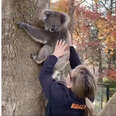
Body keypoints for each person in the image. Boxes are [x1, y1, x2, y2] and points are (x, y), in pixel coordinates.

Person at [39, 39, 96, 116]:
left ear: (69, 84)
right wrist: (70, 46)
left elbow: (44, 75)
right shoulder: (88, 96)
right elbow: (78, 71)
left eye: (69, 72)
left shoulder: (58, 95)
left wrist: (55, 55)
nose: (72, 69)